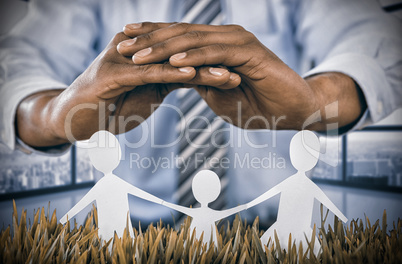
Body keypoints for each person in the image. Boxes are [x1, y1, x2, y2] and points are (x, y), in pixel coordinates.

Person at [0, 0, 401, 227]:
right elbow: (17, 58)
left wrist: (314, 100)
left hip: (271, 225)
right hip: (131, 231)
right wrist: (53, 114)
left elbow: (382, 44)